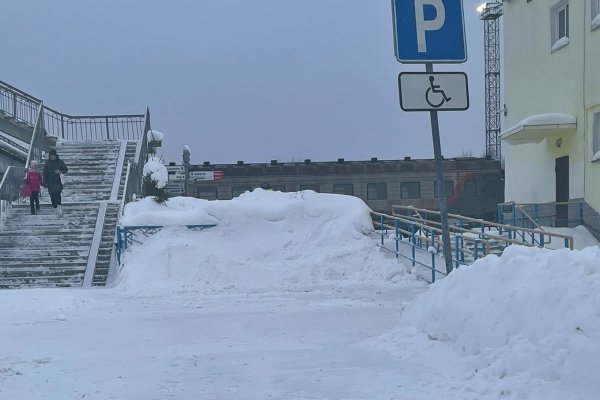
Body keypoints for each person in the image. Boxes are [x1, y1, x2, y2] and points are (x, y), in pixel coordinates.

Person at [42, 149, 68, 215]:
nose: (52, 157)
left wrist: (60, 171)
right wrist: (44, 182)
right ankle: (55, 207)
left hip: (58, 181)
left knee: (58, 194)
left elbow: (65, 169)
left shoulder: (60, 162)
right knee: (52, 195)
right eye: (50, 156)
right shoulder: (47, 163)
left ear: (55, 155)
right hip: (50, 182)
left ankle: (59, 207)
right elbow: (45, 173)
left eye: (53, 156)